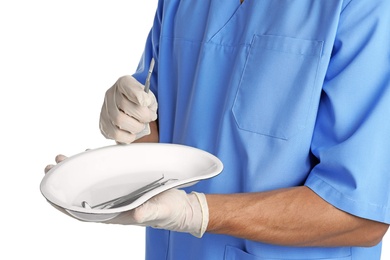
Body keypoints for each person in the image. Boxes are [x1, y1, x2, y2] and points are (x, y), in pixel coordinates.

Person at [46, 0, 390, 259]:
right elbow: (163, 129)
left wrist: (197, 213)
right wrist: (128, 119)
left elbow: (361, 212)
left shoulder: (362, 8)